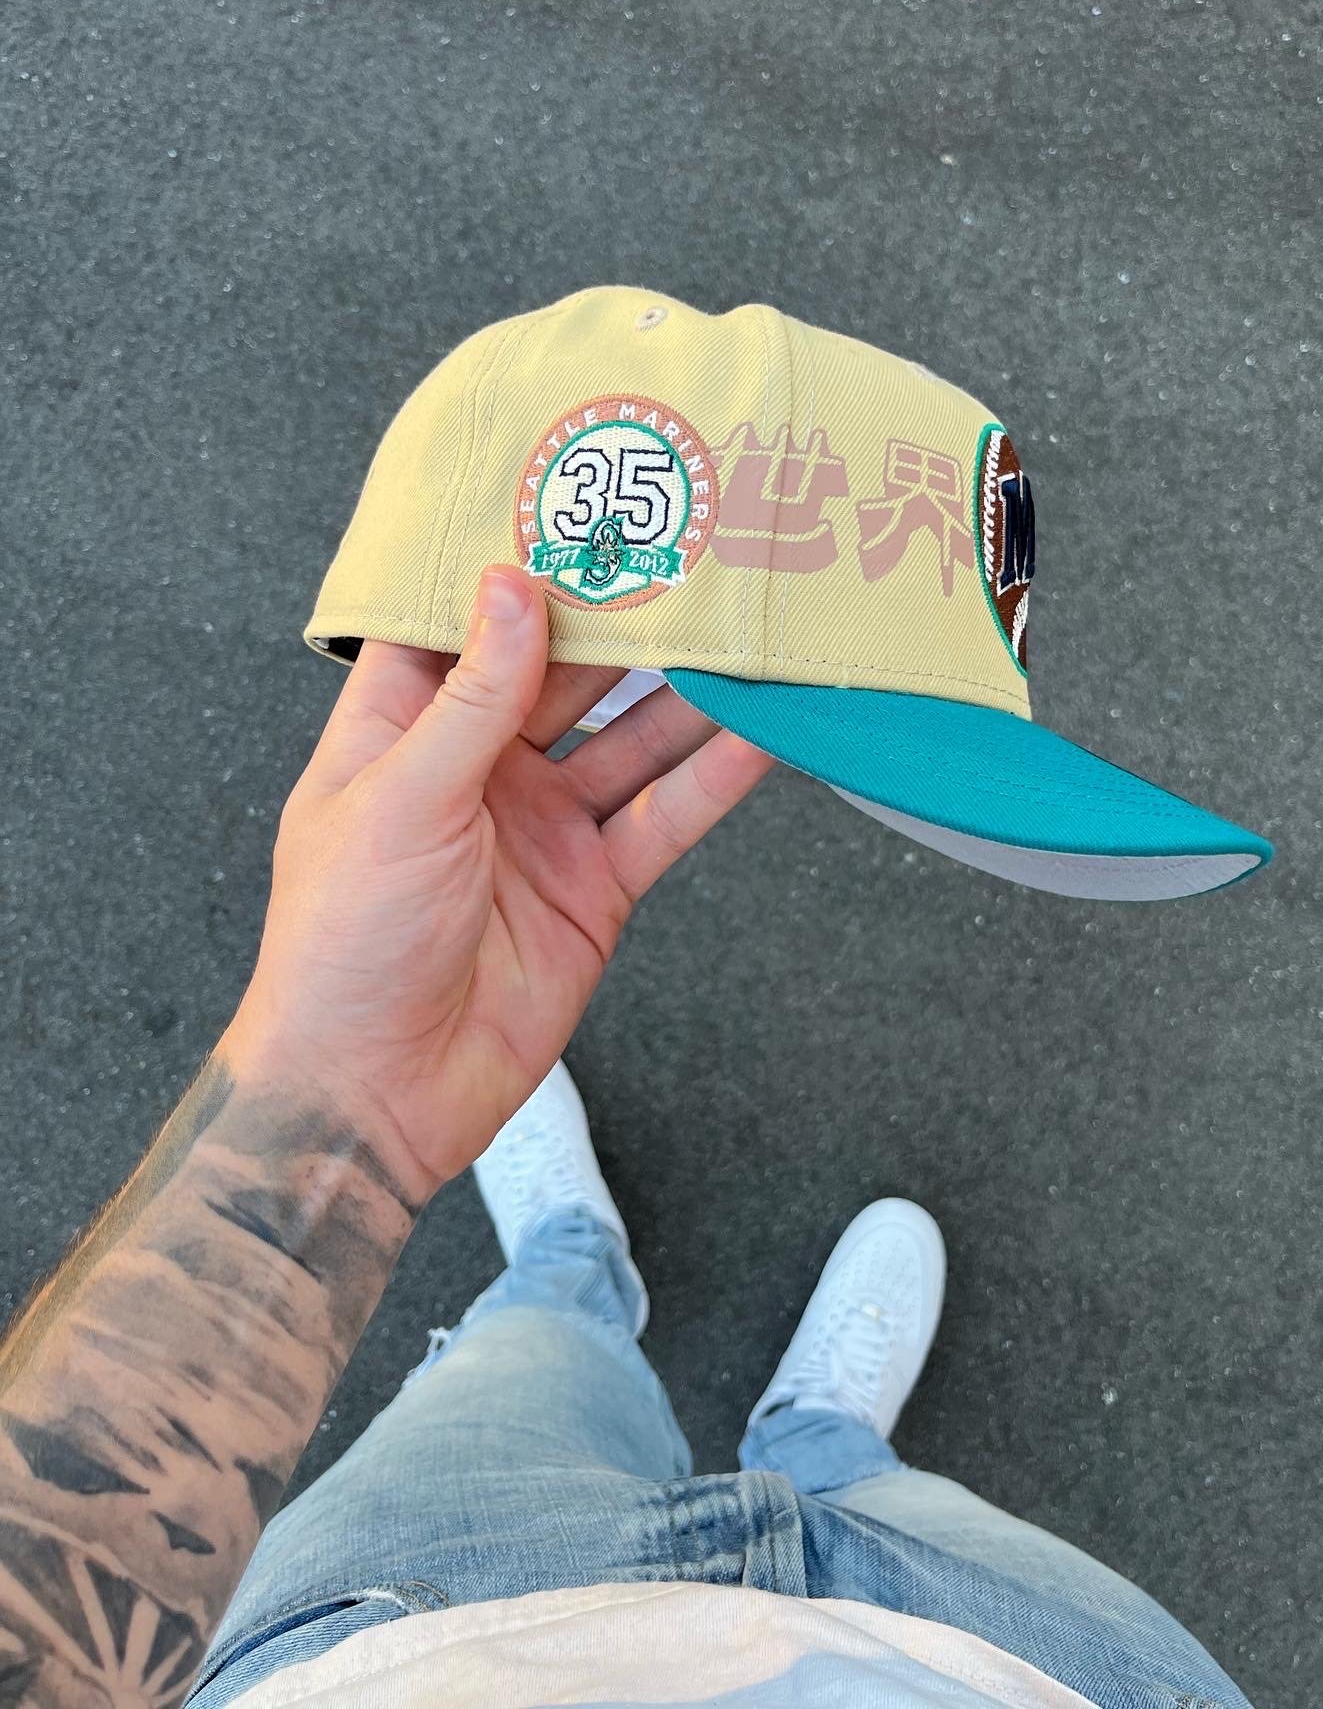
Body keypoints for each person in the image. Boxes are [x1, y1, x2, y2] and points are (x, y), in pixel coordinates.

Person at [0, 568, 1253, 1709]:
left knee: (535, 1352)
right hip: (1017, 1664)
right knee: (876, 1497)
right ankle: (819, 1442)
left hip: (408, 1622)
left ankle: (571, 1269)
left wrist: (341, 1096)